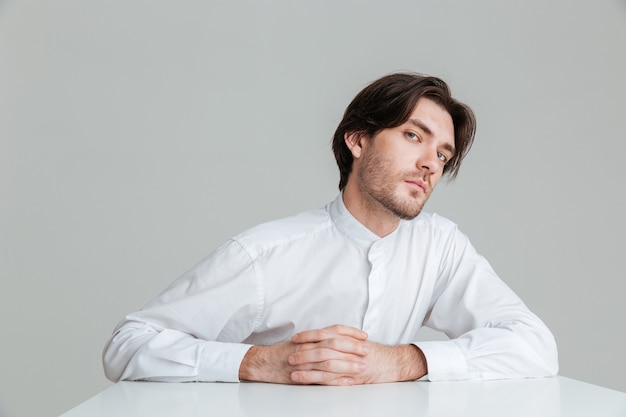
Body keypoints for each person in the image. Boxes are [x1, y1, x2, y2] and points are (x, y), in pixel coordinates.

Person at [103, 73, 558, 385]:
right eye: (413, 136)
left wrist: (403, 361)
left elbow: (535, 346)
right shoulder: (268, 253)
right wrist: (260, 362)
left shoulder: (440, 248)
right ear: (358, 140)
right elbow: (127, 346)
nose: (429, 164)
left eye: (442, 154)